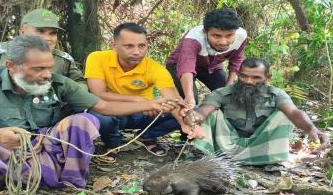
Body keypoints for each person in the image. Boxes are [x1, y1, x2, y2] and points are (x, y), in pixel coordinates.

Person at [0, 35, 179, 195]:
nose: (46, 75)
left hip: (50, 145)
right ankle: (2, 175)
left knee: (86, 120)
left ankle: (68, 180)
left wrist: (153, 104)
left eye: (49, 67)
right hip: (6, 145)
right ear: (12, 66)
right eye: (38, 69)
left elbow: (103, 106)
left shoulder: (59, 83)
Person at [182, 58, 330, 165]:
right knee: (213, 113)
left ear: (267, 78)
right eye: (244, 76)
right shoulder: (222, 93)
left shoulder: (276, 94)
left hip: (261, 147)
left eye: (256, 77)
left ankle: (267, 160)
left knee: (283, 115)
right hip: (226, 146)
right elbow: (203, 111)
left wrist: (312, 129)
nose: (248, 81)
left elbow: (294, 113)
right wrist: (193, 115)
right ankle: (206, 156)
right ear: (238, 75)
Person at [85, 22, 193, 160]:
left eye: (141, 46)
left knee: (184, 111)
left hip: (146, 114)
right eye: (129, 46)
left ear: (147, 45)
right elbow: (97, 94)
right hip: (114, 111)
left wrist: (184, 123)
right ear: (114, 45)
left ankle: (146, 136)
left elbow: (173, 98)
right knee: (98, 114)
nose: (137, 52)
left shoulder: (155, 68)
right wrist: (137, 100)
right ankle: (112, 144)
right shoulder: (97, 58)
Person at [0, 8, 86, 89]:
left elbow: (81, 85)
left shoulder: (63, 59)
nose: (47, 38)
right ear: (22, 31)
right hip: (0, 119)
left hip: (46, 118)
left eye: (52, 33)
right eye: (40, 31)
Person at [166, 9, 249, 107]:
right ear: (205, 33)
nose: (223, 42)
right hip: (179, 65)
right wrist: (189, 98)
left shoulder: (241, 36)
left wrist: (229, 84)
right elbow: (186, 68)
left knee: (225, 94)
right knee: (191, 100)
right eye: (217, 36)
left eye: (229, 35)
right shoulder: (193, 39)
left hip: (211, 65)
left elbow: (237, 59)